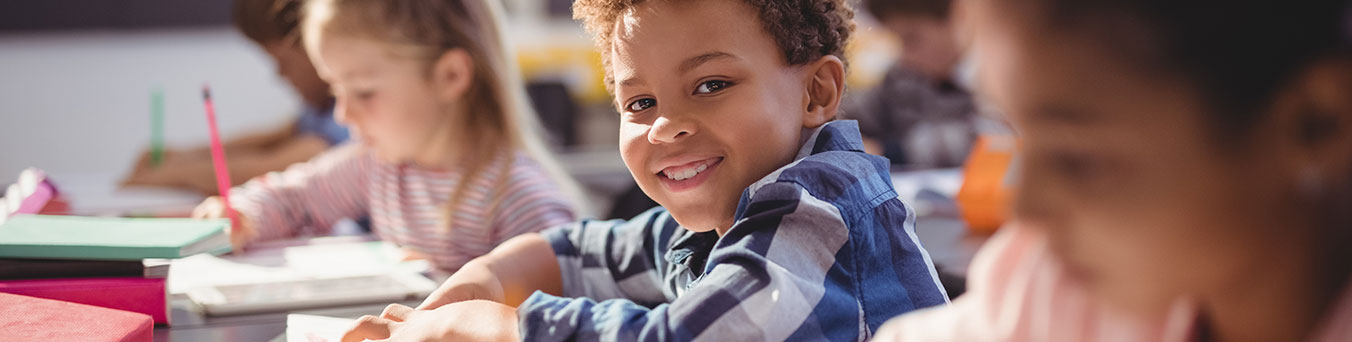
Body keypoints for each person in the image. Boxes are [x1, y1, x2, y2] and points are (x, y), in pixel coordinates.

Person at [339, 0, 949, 340]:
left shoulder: (822, 207)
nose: (665, 126)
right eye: (640, 103)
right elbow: (578, 253)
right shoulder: (717, 220)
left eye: (711, 85)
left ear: (817, 92)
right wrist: (485, 281)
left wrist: (500, 326)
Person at [875, 0, 1352, 340]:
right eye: (1016, 132)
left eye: (1079, 159)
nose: (1026, 207)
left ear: (1317, 124)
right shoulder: (1070, 288)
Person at [192, 0, 582, 272]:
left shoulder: (520, 200)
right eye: (336, 90)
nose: (343, 114)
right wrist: (244, 214)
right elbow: (295, 199)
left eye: (363, 93)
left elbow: (559, 313)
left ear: (450, 76)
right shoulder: (376, 167)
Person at [123, 0, 350, 195]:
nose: (280, 73)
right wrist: (186, 155)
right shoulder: (319, 108)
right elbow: (274, 139)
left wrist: (176, 174)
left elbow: (287, 162)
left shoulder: (349, 109)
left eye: (283, 61)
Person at [842, 0, 992, 168]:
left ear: (960, 17)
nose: (905, 56)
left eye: (912, 38)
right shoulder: (904, 76)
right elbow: (855, 113)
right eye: (898, 40)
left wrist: (887, 151)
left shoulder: (990, 78)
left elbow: (985, 141)